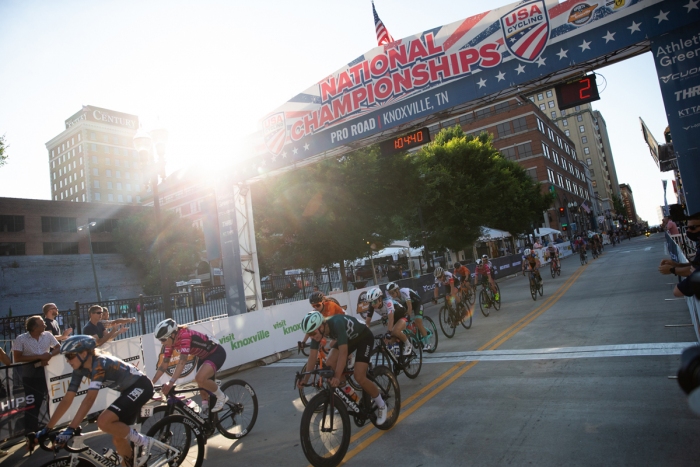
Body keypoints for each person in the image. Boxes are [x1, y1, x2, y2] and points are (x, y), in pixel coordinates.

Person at [37, 335, 154, 467]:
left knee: (103, 421)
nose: (68, 360)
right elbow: (67, 399)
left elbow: (89, 399)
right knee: (118, 438)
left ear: (84, 353)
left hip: (141, 386)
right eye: (66, 357)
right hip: (127, 390)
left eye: (70, 356)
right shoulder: (79, 369)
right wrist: (47, 429)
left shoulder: (99, 363)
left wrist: (71, 428)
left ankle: (144, 441)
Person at [297, 311, 387, 425]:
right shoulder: (317, 333)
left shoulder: (336, 324)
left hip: (363, 337)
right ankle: (349, 395)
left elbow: (343, 353)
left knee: (359, 376)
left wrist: (337, 377)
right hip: (348, 339)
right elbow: (312, 356)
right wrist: (305, 380)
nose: (312, 337)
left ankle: (381, 404)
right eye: (309, 335)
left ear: (321, 326)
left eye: (313, 333)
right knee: (329, 363)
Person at [151, 319, 229, 413]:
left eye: (163, 339)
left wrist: (171, 382)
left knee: (200, 378)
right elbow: (164, 365)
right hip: (203, 356)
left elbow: (182, 362)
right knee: (202, 390)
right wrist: (151, 383)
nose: (161, 342)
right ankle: (206, 412)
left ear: (172, 335)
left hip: (216, 353)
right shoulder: (170, 342)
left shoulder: (184, 336)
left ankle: (222, 396)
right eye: (160, 340)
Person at [13, 316, 60, 450]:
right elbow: (17, 357)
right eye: (42, 324)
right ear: (34, 327)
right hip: (30, 375)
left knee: (50, 399)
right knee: (34, 403)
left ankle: (49, 428)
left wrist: (50, 355)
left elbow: (58, 347)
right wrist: (39, 357)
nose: (45, 325)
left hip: (47, 372)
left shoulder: (47, 335)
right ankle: (30, 433)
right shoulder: (21, 339)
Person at [364, 287, 412, 356]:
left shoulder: (387, 302)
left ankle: (408, 344)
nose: (373, 304)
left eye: (374, 301)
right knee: (385, 342)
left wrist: (389, 332)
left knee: (394, 331)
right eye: (370, 302)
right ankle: (397, 351)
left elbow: (391, 319)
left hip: (402, 315)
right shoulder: (372, 306)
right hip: (392, 318)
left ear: (380, 299)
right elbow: (367, 323)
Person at [386, 282, 430, 350]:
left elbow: (410, 306)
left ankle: (427, 344)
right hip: (407, 304)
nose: (391, 295)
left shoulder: (404, 291)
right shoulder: (395, 298)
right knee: (402, 321)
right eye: (390, 293)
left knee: (418, 322)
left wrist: (408, 316)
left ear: (397, 290)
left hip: (417, 303)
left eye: (392, 293)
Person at [659, 213, 700, 277]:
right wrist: (676, 265)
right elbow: (695, 265)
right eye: (687, 227)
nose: (688, 230)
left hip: (676, 238)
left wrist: (672, 270)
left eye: (692, 228)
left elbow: (695, 270)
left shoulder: (670, 223)